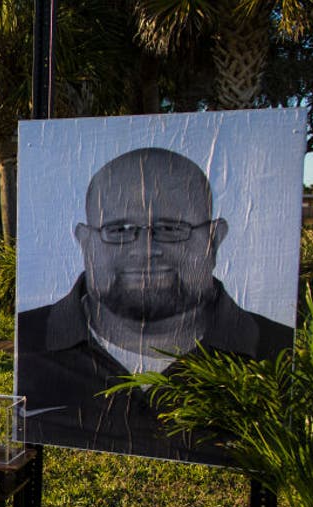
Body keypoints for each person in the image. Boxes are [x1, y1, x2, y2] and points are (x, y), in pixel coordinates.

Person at [16, 147, 293, 463]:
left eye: (172, 229)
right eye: (118, 230)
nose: (146, 250)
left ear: (213, 240)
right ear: (86, 242)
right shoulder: (26, 344)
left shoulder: (281, 356)